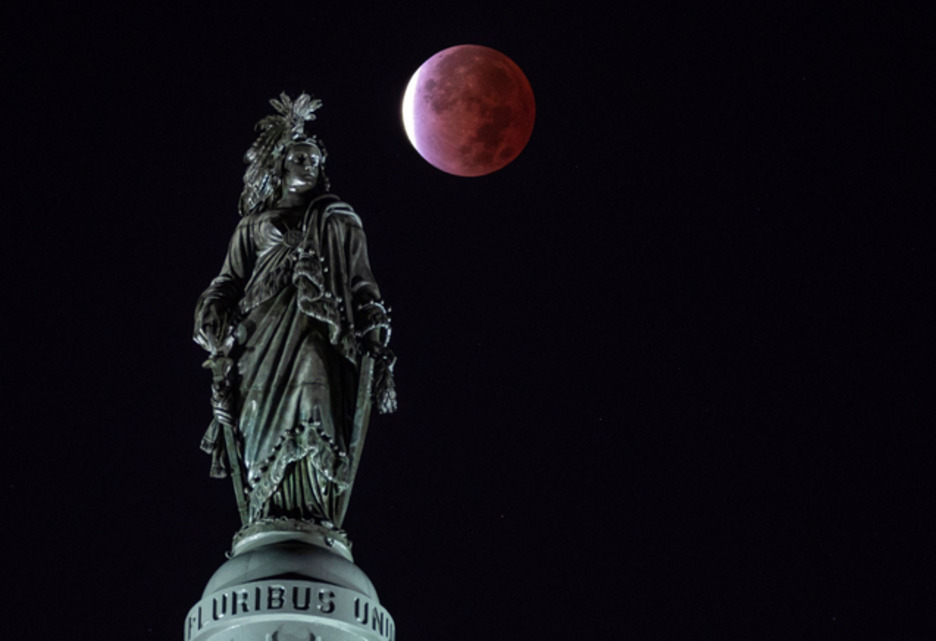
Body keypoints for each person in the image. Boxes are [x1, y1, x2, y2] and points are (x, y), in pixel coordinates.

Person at [193, 94, 395, 532]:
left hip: (318, 330)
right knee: (258, 417)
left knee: (314, 380)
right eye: (299, 157)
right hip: (257, 336)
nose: (307, 165)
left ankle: (314, 510)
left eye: (314, 159)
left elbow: (362, 281)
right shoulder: (252, 224)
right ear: (281, 165)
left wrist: (374, 326)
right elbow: (229, 280)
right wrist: (211, 312)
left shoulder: (339, 220)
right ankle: (266, 513)